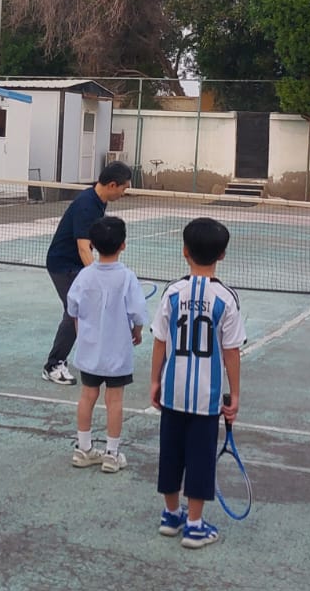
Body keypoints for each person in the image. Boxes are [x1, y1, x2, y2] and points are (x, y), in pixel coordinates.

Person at [150, 217, 244, 549]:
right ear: (222, 254)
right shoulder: (226, 299)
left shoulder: (172, 293)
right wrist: (235, 394)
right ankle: (194, 525)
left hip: (173, 391)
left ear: (184, 251)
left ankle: (170, 515)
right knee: (200, 458)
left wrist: (154, 381)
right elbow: (231, 352)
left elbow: (160, 341)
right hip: (207, 396)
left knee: (170, 453)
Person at [67, 215, 147, 473]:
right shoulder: (127, 277)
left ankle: (83, 449)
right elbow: (137, 312)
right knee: (114, 400)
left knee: (87, 395)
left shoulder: (85, 275)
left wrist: (81, 333)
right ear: (123, 244)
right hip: (117, 351)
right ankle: (111, 454)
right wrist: (137, 331)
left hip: (90, 349)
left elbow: (73, 308)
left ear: (92, 245)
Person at [42, 161, 133, 384]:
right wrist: (99, 277)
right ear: (112, 185)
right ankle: (53, 365)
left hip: (73, 264)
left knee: (82, 311)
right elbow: (83, 247)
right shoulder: (87, 205)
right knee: (74, 312)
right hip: (63, 265)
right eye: (124, 188)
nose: (124, 193)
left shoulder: (98, 200)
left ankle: (86, 356)